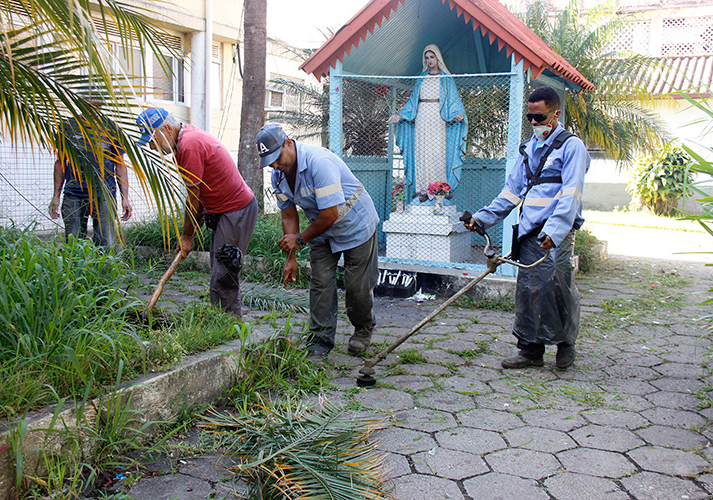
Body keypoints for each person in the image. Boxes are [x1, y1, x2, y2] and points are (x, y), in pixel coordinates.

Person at [463, 86, 590, 370]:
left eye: (540, 117)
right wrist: (483, 218)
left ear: (556, 114)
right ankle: (530, 349)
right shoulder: (528, 148)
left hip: (557, 231)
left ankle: (565, 344)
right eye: (530, 117)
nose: (534, 123)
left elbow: (571, 194)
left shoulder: (572, 147)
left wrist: (555, 232)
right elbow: (511, 192)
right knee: (530, 288)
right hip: (530, 229)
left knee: (557, 285)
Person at [256, 123, 379, 359]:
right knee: (320, 282)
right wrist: (290, 257)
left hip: (355, 224)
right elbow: (288, 214)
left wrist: (300, 239)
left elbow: (331, 214)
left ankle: (363, 329)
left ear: (289, 143)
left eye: (277, 157)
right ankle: (320, 340)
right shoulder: (278, 175)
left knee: (357, 286)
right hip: (321, 229)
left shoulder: (319, 163)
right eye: (270, 161)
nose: (275, 165)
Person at [136, 107, 258, 319]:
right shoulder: (184, 141)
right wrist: (194, 228)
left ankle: (227, 325)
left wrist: (187, 235)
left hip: (236, 209)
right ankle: (220, 319)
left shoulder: (189, 145)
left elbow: (193, 198)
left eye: (152, 140)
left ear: (166, 128)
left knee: (225, 270)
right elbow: (198, 196)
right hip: (224, 210)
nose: (152, 147)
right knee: (219, 267)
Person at [388, 44, 467, 201]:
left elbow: (453, 100)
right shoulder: (421, 78)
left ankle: (439, 189)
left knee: (437, 152)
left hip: (438, 117)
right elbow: (413, 101)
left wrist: (457, 114)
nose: (429, 60)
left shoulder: (445, 78)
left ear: (437, 58)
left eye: (432, 57)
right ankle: (422, 190)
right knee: (422, 151)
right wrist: (400, 115)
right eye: (427, 57)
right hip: (422, 116)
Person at [49, 119, 132, 246]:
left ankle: (104, 266)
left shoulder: (111, 128)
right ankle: (76, 266)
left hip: (105, 194)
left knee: (105, 243)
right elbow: (60, 162)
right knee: (73, 243)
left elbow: (120, 165)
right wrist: (56, 196)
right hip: (74, 193)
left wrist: (125, 197)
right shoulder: (67, 127)